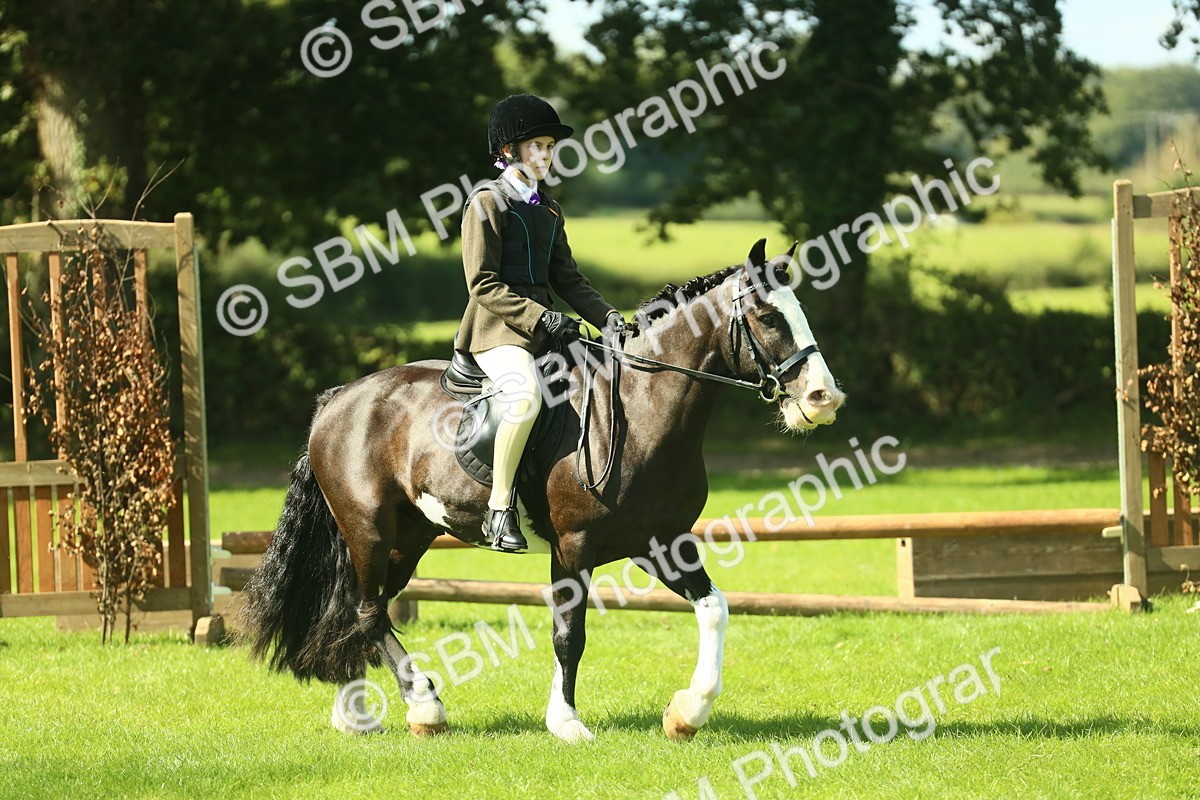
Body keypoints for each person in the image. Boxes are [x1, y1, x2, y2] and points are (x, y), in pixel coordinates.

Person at [453, 93, 628, 553]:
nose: (547, 156)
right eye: (538, 146)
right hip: (496, 333)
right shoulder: (486, 202)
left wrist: (608, 316)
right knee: (527, 393)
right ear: (509, 150)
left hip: (542, 332)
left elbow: (567, 278)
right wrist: (542, 317)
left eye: (551, 147)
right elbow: (482, 283)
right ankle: (498, 509)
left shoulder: (549, 209)